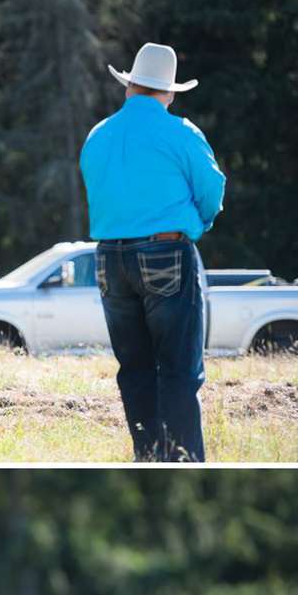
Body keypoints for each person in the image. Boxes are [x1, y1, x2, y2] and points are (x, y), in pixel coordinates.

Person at [81, 41, 226, 462]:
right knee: (178, 369)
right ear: (170, 92)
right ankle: (181, 459)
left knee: (135, 367)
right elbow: (212, 191)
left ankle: (147, 454)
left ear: (129, 87)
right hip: (165, 251)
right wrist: (195, 225)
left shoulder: (98, 134)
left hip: (109, 256)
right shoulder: (180, 132)